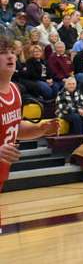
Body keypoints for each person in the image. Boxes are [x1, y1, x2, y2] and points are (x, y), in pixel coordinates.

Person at [0, 36, 60, 206]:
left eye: (12, 52)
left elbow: (14, 127)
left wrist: (39, 129)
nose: (11, 56)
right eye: (3, 53)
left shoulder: (14, 90)